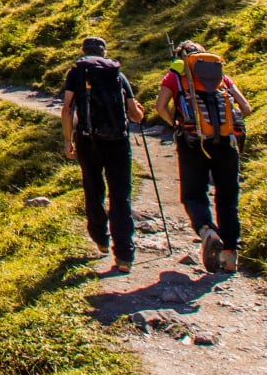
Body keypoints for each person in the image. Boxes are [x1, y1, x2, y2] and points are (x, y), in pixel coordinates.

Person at [155, 40, 253, 273]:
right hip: (226, 141)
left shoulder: (176, 76)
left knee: (193, 193)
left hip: (192, 141)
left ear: (182, 58)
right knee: (228, 196)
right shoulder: (221, 77)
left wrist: (176, 125)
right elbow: (246, 108)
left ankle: (207, 230)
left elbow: (160, 106)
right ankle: (230, 257)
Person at [61, 35, 146, 272]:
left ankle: (100, 238)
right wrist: (140, 112)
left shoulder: (76, 73)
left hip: (88, 141)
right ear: (104, 52)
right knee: (121, 196)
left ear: (83, 51)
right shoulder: (117, 74)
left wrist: (68, 141)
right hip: (118, 141)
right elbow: (134, 114)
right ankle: (124, 256)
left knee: (93, 188)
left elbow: (67, 110)